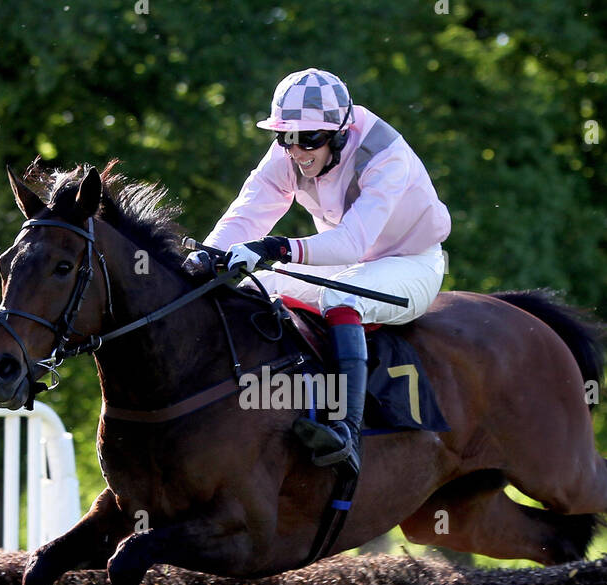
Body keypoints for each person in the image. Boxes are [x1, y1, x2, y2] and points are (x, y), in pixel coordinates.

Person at [186, 68, 451, 474]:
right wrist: (207, 256)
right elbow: (249, 212)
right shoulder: (292, 148)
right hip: (347, 264)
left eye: (309, 139)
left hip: (411, 264)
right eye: (285, 138)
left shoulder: (385, 155)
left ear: (341, 133)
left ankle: (346, 429)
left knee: (341, 297)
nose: (296, 150)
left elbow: (351, 242)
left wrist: (275, 247)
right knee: (254, 288)